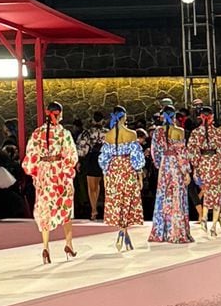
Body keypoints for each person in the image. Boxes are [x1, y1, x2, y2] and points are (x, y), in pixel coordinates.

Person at [23, 102, 78, 265]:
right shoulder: (64, 133)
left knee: (45, 208)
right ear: (59, 114)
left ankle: (46, 247)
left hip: (44, 173)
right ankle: (68, 243)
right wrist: (67, 167)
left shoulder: (37, 133)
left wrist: (36, 170)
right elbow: (71, 155)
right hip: (60, 172)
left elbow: (30, 155)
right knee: (66, 207)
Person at [98, 108, 145, 252]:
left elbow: (104, 159)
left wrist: (105, 175)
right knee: (127, 201)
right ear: (124, 117)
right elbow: (136, 157)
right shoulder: (132, 134)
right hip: (127, 169)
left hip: (113, 171)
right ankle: (122, 232)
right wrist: (139, 174)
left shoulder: (108, 136)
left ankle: (123, 233)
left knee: (118, 201)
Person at [149, 105, 192, 243]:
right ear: (174, 117)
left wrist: (159, 164)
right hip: (176, 166)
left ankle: (162, 232)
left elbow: (154, 152)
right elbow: (182, 154)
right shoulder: (179, 131)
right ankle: (177, 231)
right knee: (177, 196)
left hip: (164, 165)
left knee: (163, 196)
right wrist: (186, 172)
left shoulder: (157, 132)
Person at [186, 108, 221, 239]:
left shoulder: (195, 133)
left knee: (206, 191)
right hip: (216, 164)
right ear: (212, 117)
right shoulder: (218, 132)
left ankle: (204, 218)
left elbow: (192, 152)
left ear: (201, 116)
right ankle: (214, 226)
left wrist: (195, 168)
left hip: (203, 164)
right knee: (216, 194)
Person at [75, 113, 106, 220]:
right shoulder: (107, 132)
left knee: (92, 187)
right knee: (101, 186)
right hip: (105, 159)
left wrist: (79, 161)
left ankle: (94, 210)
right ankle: (101, 209)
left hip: (92, 159)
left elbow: (82, 149)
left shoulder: (86, 133)